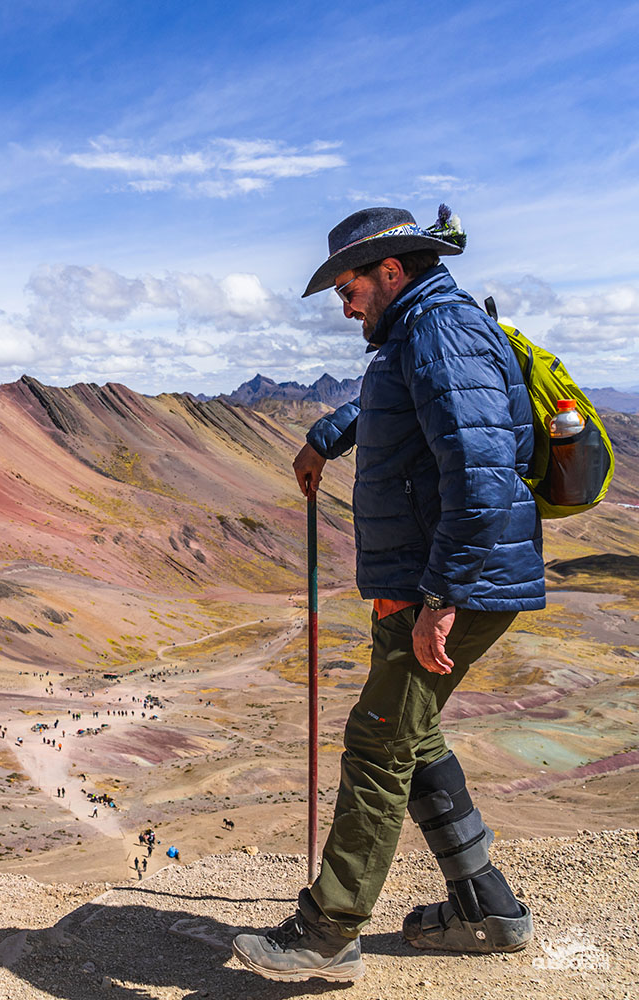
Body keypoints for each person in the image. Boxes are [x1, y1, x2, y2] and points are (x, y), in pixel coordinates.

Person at [232, 206, 543, 984]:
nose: (345, 306)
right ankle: (485, 907)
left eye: (349, 287)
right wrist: (327, 437)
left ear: (391, 273)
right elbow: (398, 408)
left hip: (449, 582)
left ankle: (326, 932)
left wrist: (442, 594)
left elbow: (477, 466)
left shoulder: (440, 331)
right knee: (415, 733)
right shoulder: (419, 335)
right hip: (432, 579)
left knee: (379, 740)